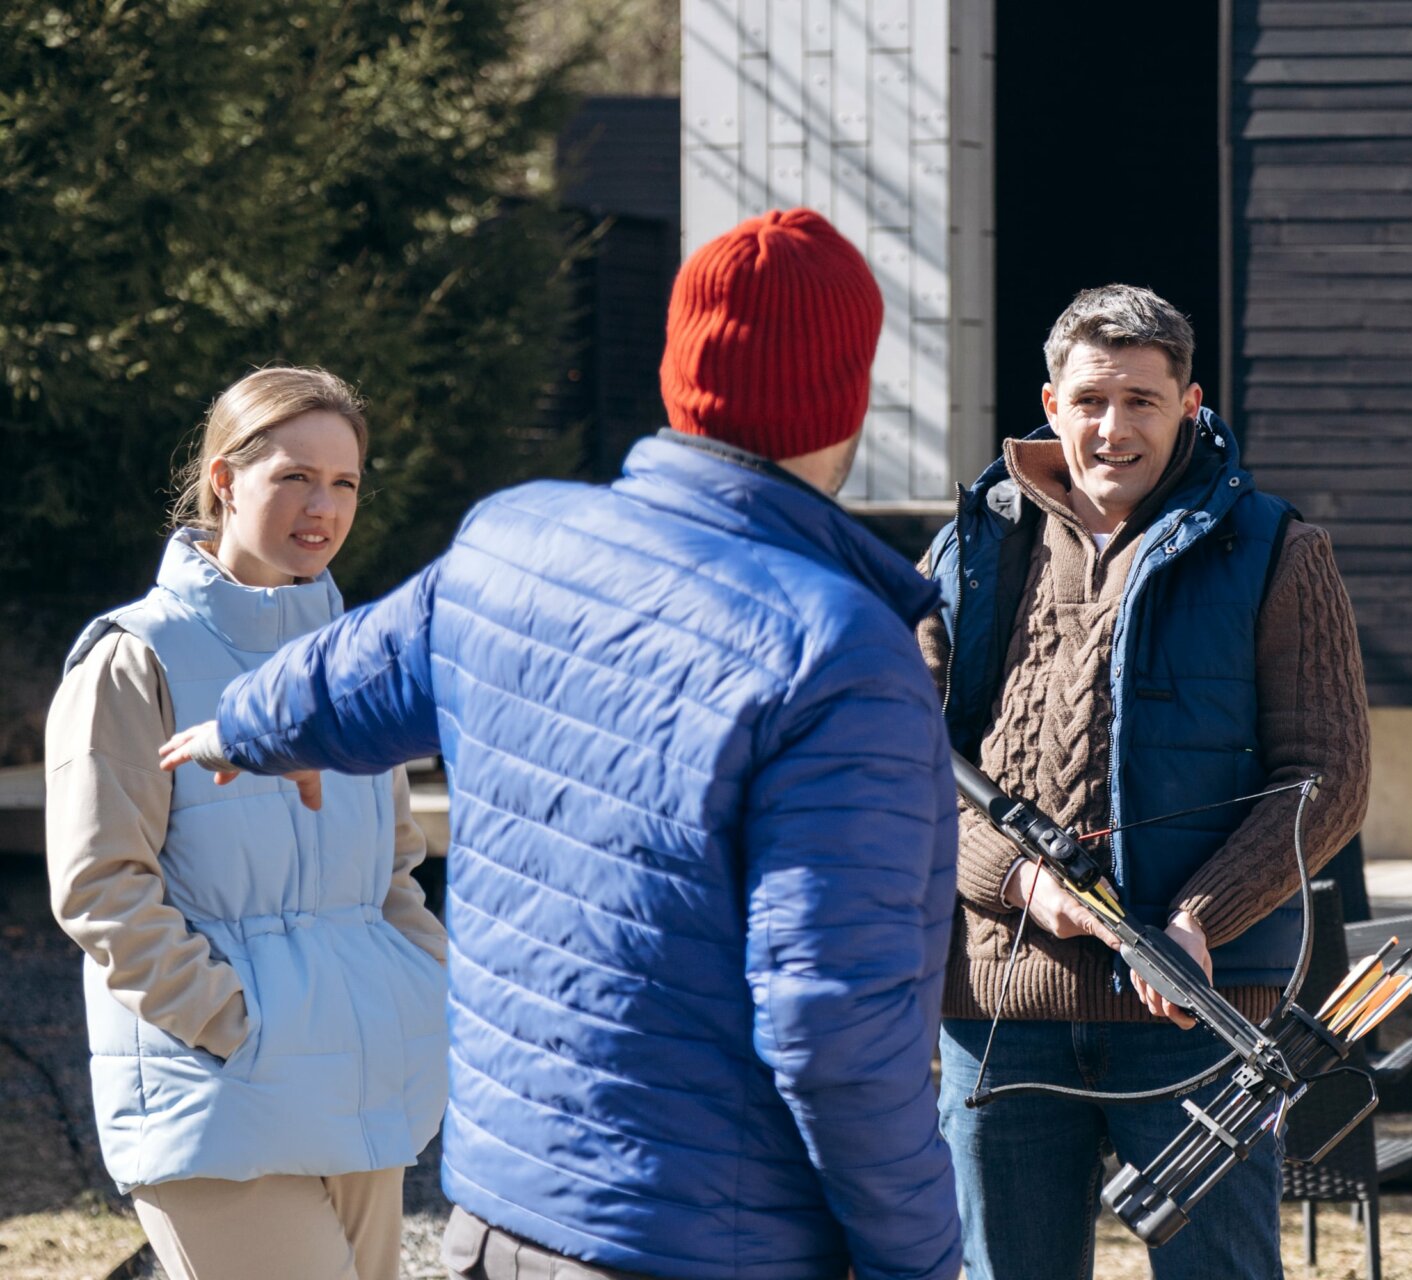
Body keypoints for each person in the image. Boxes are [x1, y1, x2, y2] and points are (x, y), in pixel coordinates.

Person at [161, 209, 963, 1280]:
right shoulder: (842, 652)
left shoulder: (516, 538)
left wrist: (242, 725)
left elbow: (352, 674)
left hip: (502, 1211)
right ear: (846, 401)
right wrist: (922, 1258)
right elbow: (834, 1027)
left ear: (678, 372)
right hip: (711, 1241)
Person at [919, 284, 1371, 1279]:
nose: (1112, 429)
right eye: (1089, 400)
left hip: (1198, 1017)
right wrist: (1019, 880)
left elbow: (1327, 779)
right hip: (1001, 1012)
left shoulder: (1277, 550)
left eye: (1141, 401)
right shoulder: (970, 548)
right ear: (1051, 403)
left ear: (1190, 405)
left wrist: (1201, 918)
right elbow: (901, 762)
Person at [44, 366, 449, 1280]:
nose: (323, 507)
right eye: (295, 477)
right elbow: (101, 885)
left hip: (358, 1077)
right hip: (218, 1089)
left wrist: (412, 984)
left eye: (344, 482)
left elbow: (394, 870)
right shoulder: (133, 657)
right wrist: (232, 1023)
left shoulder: (355, 662)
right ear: (224, 480)